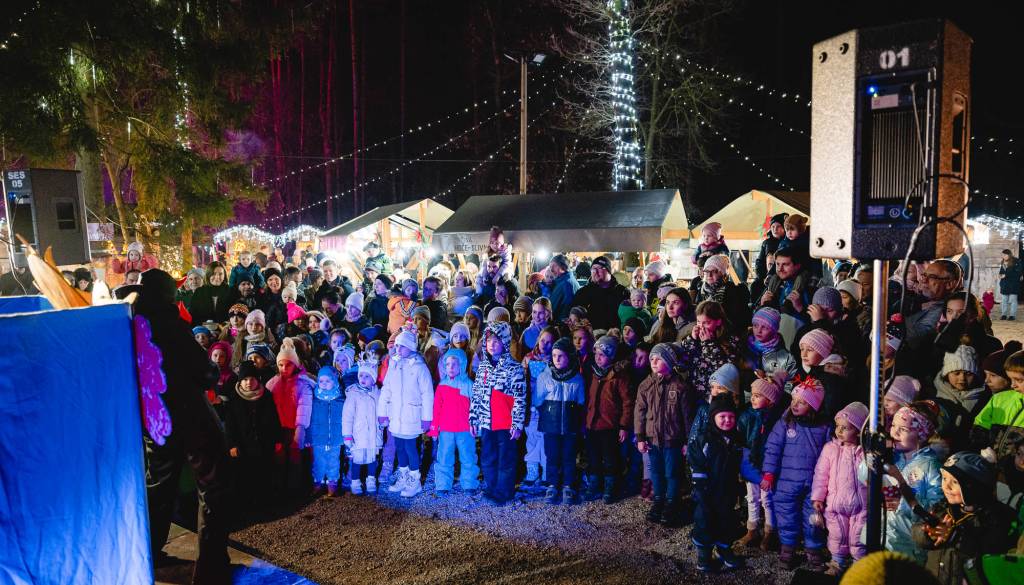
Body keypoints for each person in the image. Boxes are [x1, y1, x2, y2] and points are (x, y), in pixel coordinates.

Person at [135, 269, 232, 583]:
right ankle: (211, 568)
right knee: (214, 486)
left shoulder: (131, 324)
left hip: (154, 418)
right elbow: (205, 373)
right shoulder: (171, 325)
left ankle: (148, 553)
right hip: (190, 417)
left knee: (158, 487)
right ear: (167, 295)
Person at [911, 450, 1016, 585]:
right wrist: (927, 533)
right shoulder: (943, 508)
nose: (946, 486)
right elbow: (916, 533)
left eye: (954, 481)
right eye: (944, 478)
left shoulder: (998, 517)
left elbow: (991, 551)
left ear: (974, 487)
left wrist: (956, 538)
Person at [761, 377, 831, 570]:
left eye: (801, 402)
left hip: (814, 484)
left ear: (814, 405)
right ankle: (788, 549)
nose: (794, 404)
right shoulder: (786, 422)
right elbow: (773, 447)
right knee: (786, 516)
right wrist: (769, 473)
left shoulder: (824, 426)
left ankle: (814, 550)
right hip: (785, 482)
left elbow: (831, 454)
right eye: (793, 400)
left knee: (813, 518)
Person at [872, 404, 943, 563]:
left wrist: (903, 501)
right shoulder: (891, 457)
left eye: (903, 429)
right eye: (893, 426)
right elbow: (863, 476)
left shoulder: (930, 466)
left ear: (921, 435)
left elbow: (936, 507)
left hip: (905, 543)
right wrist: (875, 455)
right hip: (880, 532)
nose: (894, 432)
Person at [635, 343, 697, 525]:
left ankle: (672, 503)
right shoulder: (646, 385)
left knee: (672, 473)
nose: (653, 362)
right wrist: (640, 437)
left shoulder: (680, 387)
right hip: (653, 439)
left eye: (658, 359)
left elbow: (687, 417)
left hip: (673, 440)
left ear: (669, 361)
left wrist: (687, 441)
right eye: (652, 358)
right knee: (656, 472)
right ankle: (658, 500)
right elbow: (639, 413)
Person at [469, 321, 527, 506]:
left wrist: (517, 424)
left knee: (506, 459)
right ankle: (492, 487)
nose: (492, 344)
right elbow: (476, 395)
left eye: (496, 340)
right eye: (488, 340)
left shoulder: (515, 368)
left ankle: (504, 491)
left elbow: (519, 398)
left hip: (506, 425)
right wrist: (473, 418)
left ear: (505, 341)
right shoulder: (483, 368)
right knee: (487, 456)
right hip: (487, 423)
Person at [811, 401, 869, 575]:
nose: (839, 431)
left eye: (845, 428)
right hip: (835, 503)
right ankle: (837, 562)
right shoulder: (830, 449)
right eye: (838, 426)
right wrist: (818, 497)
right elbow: (821, 474)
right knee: (837, 533)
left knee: (859, 536)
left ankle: (860, 563)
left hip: (861, 505)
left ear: (858, 430)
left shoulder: (864, 452)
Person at [689, 395, 745, 572]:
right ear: (713, 417)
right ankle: (704, 557)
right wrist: (700, 487)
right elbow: (696, 462)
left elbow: (741, 463)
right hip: (706, 491)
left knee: (726, 522)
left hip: (726, 491)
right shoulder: (703, 440)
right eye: (722, 417)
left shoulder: (735, 440)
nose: (727, 420)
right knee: (705, 522)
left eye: (731, 417)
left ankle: (725, 550)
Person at [377, 328, 434, 498]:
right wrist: (383, 413)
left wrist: (426, 418)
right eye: (397, 346)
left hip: (411, 416)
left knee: (411, 448)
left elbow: (427, 393)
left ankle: (414, 479)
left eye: (402, 346)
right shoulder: (394, 365)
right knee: (400, 448)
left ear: (411, 347)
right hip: (396, 416)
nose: (398, 349)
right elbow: (386, 390)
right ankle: (403, 475)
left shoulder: (419, 368)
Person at [736, 370, 788, 551]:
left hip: (767, 464)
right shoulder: (746, 416)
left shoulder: (775, 419)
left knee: (768, 498)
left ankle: (769, 531)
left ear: (770, 400)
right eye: (753, 395)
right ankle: (752, 529)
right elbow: (741, 440)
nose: (753, 399)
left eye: (758, 396)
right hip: (750, 463)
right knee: (751, 497)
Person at [224, 360, 282, 513]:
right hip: (244, 446)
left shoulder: (266, 396)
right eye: (245, 379)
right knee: (245, 476)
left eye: (251, 379)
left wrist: (277, 440)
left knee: (264, 474)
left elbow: (274, 419)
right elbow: (230, 425)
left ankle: (265, 503)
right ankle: (247, 506)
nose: (248, 383)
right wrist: (232, 444)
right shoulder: (234, 398)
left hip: (264, 444)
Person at [534, 337, 586, 505]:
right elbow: (538, 400)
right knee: (552, 456)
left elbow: (580, 401)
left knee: (569, 456)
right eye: (554, 355)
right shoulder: (545, 377)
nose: (556, 359)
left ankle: (568, 485)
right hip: (551, 425)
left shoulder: (577, 378)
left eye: (561, 356)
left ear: (569, 357)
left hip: (570, 426)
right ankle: (552, 484)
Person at [584, 335, 633, 504]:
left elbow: (627, 402)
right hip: (592, 424)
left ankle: (610, 487)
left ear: (611, 357)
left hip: (609, 425)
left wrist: (624, 426)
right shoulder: (592, 373)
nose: (598, 358)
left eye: (602, 355)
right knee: (593, 457)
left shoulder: (619, 377)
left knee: (610, 458)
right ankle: (594, 484)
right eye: (597, 354)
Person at [266, 338, 315, 496]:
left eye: (288, 365)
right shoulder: (273, 383)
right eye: (281, 365)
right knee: (279, 458)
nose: (284, 368)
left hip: (295, 428)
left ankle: (294, 489)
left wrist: (300, 430)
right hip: (279, 427)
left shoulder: (302, 384)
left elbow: (304, 409)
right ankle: (279, 488)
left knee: (295, 458)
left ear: (295, 364)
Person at [427, 348, 479, 495]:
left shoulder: (469, 384)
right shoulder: (442, 386)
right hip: (446, 429)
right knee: (444, 457)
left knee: (468, 456)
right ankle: (443, 484)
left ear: (462, 365)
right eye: (448, 364)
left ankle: (469, 484)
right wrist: (434, 428)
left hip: (465, 429)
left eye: (454, 364)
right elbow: (436, 408)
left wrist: (475, 424)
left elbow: (475, 406)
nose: (450, 367)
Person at [677, 301, 741, 400]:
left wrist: (708, 344)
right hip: (694, 391)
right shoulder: (695, 335)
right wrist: (692, 339)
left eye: (706, 323)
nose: (701, 326)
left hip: (715, 394)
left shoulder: (730, 340)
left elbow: (723, 368)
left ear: (718, 322)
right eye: (698, 321)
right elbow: (684, 359)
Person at [970, 348, 1024, 459]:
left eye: (1019, 380)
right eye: (1010, 379)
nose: (1013, 385)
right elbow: (980, 425)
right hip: (991, 464)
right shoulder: (999, 399)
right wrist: (981, 448)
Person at [933, 345, 988, 452]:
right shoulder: (936, 394)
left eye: (968, 374)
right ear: (947, 373)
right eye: (956, 373)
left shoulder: (984, 397)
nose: (962, 378)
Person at [342, 352, 383, 495]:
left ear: (373, 378)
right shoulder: (353, 394)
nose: (363, 379)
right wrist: (347, 435)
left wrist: (382, 423)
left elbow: (381, 410)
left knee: (372, 459)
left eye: (367, 376)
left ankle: (371, 479)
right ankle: (355, 481)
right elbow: (347, 416)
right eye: (361, 375)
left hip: (373, 434)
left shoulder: (377, 393)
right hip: (358, 434)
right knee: (357, 460)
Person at [905, 260, 961, 351]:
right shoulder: (924, 301)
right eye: (924, 275)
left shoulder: (945, 310)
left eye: (932, 277)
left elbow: (915, 339)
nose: (923, 280)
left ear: (949, 284)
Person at [307, 366, 346, 497]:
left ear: (334, 381)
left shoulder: (340, 400)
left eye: (328, 381)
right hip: (318, 438)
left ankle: (332, 483)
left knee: (334, 461)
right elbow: (309, 420)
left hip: (335, 438)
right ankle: (317, 482)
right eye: (321, 381)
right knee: (318, 461)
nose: (324, 384)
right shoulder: (315, 400)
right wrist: (308, 437)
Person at [692, 254, 752, 335]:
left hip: (727, 336)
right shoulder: (701, 290)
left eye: (714, 271)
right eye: (707, 271)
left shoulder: (734, 291)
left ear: (722, 273)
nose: (709, 275)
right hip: (704, 333)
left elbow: (739, 319)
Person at [572, 255, 630, 331]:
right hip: (591, 338)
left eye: (599, 268)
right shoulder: (583, 293)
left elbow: (628, 318)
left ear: (608, 271)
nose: (595, 272)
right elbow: (575, 316)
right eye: (593, 269)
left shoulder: (622, 292)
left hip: (615, 337)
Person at [752, 213, 788, 303]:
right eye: (773, 227)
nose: (775, 229)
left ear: (784, 227)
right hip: (766, 275)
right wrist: (761, 276)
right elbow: (759, 262)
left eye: (778, 226)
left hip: (782, 274)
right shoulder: (766, 243)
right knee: (755, 285)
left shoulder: (787, 242)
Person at [547, 254, 580, 323]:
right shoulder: (565, 280)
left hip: (560, 325)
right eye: (550, 267)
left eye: (554, 266)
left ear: (563, 266)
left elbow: (553, 308)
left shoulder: (566, 283)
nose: (551, 270)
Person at [999, 249, 1022, 321]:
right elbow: (1001, 271)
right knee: (1004, 300)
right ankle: (1004, 314)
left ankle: (1012, 315)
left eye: (1005, 255)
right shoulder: (1003, 262)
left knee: (1013, 300)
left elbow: (1018, 273)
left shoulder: (1017, 261)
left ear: (1009, 254)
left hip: (1013, 284)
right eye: (1003, 255)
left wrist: (1006, 275)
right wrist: (1000, 275)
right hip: (1005, 284)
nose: (1003, 256)